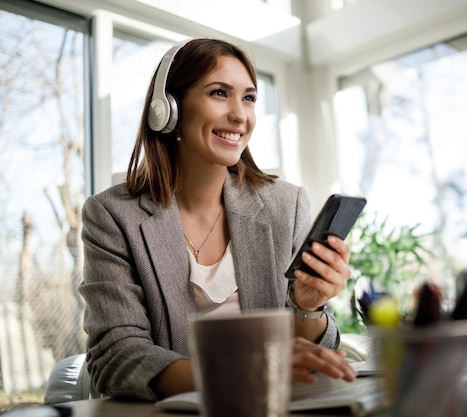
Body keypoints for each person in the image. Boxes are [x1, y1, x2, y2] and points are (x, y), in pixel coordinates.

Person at [78, 38, 356, 402]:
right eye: (219, 93)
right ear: (169, 109)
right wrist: (242, 371)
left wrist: (309, 307)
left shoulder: (285, 205)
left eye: (250, 97)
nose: (240, 115)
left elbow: (310, 354)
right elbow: (117, 356)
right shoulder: (112, 216)